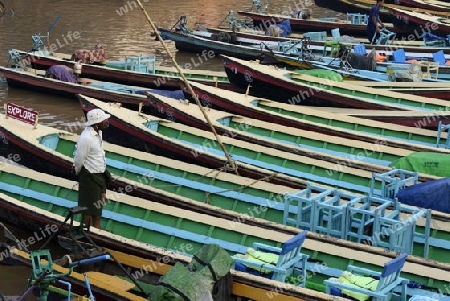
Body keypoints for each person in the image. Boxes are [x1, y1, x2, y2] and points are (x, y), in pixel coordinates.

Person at [73, 108, 112, 229]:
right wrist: (80, 174)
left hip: (100, 173)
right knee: (89, 207)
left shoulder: (98, 133)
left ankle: (96, 227)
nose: (106, 121)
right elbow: (79, 159)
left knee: (99, 203)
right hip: (89, 175)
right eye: (103, 119)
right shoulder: (86, 138)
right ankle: (89, 230)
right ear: (96, 123)